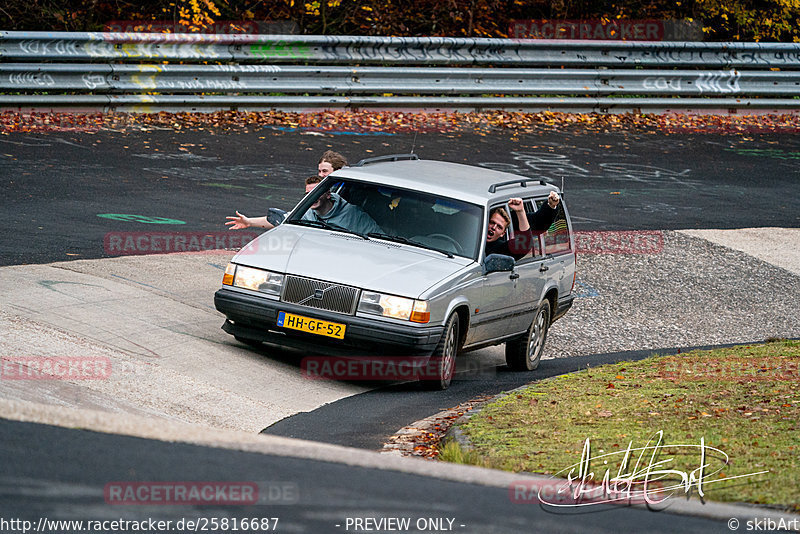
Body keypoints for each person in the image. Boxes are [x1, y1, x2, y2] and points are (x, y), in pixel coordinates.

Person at [226, 151, 347, 231]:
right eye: (319, 171)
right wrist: (249, 222)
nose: (320, 175)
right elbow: (290, 217)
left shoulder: (348, 194)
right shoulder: (318, 192)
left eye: (324, 171)